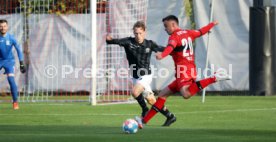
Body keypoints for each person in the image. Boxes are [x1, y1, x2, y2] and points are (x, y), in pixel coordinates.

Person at [136, 15, 230, 128]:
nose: (165, 29)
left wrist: (162, 55)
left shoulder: (174, 37)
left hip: (183, 70)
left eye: (166, 26)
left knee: (186, 94)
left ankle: (215, 77)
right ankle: (144, 121)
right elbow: (201, 32)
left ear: (173, 25)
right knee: (162, 94)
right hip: (189, 69)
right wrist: (212, 24)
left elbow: (170, 47)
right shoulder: (188, 32)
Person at [106, 21, 173, 120]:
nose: (138, 36)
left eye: (140, 33)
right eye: (136, 33)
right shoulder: (128, 42)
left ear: (144, 32)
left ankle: (145, 110)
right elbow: (114, 41)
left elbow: (162, 49)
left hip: (146, 75)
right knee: (151, 100)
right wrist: (109, 40)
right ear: (133, 33)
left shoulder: (149, 44)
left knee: (135, 92)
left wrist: (174, 50)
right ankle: (170, 116)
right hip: (135, 76)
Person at [0, 19, 26, 110]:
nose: (3, 28)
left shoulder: (11, 38)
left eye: (4, 26)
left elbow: (19, 50)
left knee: (11, 80)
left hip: (9, 61)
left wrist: (21, 63)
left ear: (7, 27)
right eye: (1, 26)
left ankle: (15, 102)